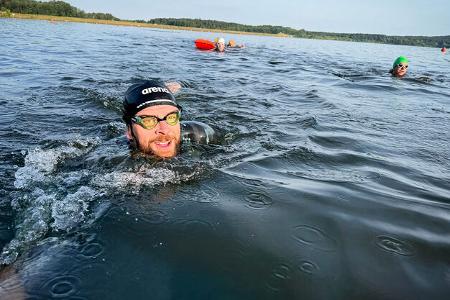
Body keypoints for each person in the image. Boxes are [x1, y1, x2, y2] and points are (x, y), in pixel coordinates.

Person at [122, 80, 217, 159]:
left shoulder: (199, 134)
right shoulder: (112, 159)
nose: (164, 130)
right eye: (148, 121)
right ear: (129, 132)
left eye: (171, 117)